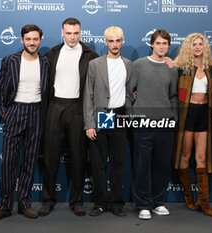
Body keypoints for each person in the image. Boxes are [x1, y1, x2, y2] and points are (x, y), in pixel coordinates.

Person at [38, 18, 98, 217]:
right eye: (68, 33)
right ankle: (47, 200)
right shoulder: (52, 54)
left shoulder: (90, 55)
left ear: (81, 33)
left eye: (76, 33)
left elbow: (106, 73)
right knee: (50, 158)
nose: (72, 37)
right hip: (55, 107)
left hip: (77, 109)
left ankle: (77, 201)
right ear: (62, 32)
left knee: (79, 158)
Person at [0, 24, 49, 220]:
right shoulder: (10, 61)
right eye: (28, 39)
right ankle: (4, 205)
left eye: (35, 39)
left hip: (37, 113)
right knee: (9, 161)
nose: (32, 42)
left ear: (40, 40)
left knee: (30, 161)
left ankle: (24, 204)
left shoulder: (46, 62)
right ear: (22, 40)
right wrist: (4, 113)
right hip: (15, 111)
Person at [126, 30, 178, 220]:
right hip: (142, 123)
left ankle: (158, 202)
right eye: (158, 43)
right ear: (152, 45)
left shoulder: (171, 69)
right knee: (142, 164)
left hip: (165, 124)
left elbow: (173, 96)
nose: (162, 46)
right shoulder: (139, 65)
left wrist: (173, 118)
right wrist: (132, 117)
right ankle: (143, 204)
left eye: (165, 43)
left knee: (162, 164)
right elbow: (128, 92)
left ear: (168, 46)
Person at [83, 26, 131, 217]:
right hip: (101, 115)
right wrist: (89, 124)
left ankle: (117, 202)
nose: (114, 44)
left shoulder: (129, 64)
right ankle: (100, 202)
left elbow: (130, 92)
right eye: (111, 41)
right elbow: (88, 94)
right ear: (105, 42)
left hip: (119, 116)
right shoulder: (95, 64)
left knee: (119, 162)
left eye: (118, 40)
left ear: (122, 41)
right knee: (98, 162)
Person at [173, 33, 212, 216]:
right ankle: (188, 197)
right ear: (188, 48)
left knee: (201, 157)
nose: (197, 47)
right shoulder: (180, 68)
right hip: (187, 113)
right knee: (185, 155)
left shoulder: (211, 68)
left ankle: (204, 202)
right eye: (194, 44)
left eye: (200, 44)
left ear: (204, 47)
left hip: (204, 114)